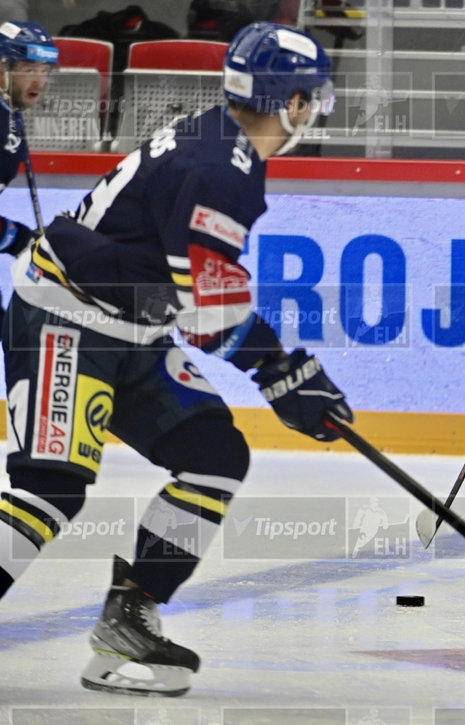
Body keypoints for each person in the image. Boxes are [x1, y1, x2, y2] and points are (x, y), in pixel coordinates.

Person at [0, 22, 352, 696]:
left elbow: (199, 296)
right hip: (65, 317)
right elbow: (210, 312)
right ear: (292, 101)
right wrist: (285, 376)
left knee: (215, 453)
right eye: (311, 96)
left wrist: (284, 372)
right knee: (50, 487)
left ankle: (129, 613)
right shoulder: (219, 167)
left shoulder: (223, 142)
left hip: (130, 326)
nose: (314, 110)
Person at [0, 20, 57, 257]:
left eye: (44, 71)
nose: (39, 83)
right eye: (29, 70)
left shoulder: (9, 110)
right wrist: (17, 238)